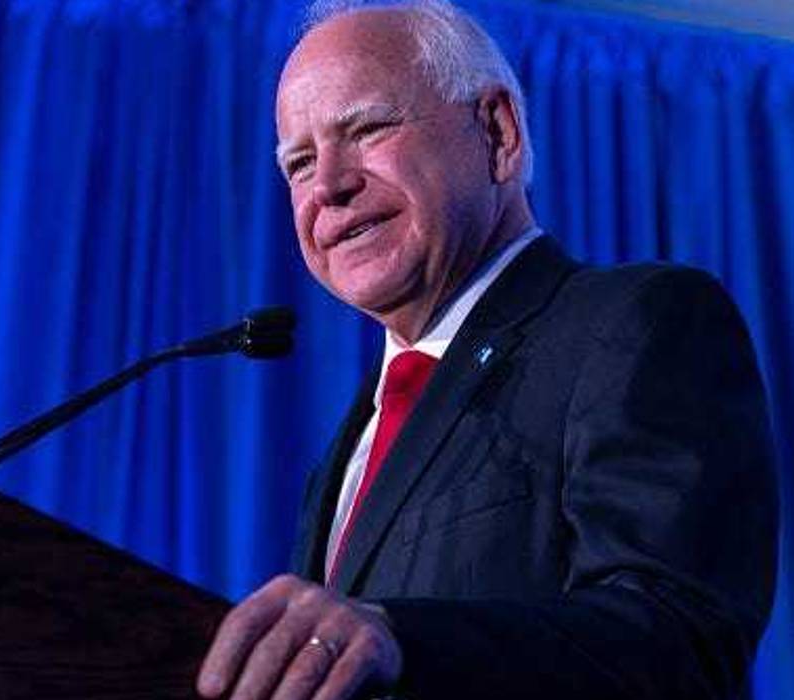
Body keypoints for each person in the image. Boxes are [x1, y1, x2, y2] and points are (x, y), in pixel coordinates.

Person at [195, 1, 778, 699]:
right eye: (298, 163)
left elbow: (681, 640)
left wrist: (400, 639)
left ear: (496, 132)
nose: (328, 186)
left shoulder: (635, 323)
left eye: (368, 128)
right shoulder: (349, 448)